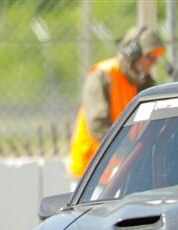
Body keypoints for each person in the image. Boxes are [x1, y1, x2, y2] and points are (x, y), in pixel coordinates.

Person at [67, 26, 166, 180]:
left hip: (119, 171)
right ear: (133, 53)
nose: (153, 63)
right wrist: (131, 150)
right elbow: (98, 126)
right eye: (150, 57)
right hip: (90, 173)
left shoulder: (142, 82)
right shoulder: (102, 75)